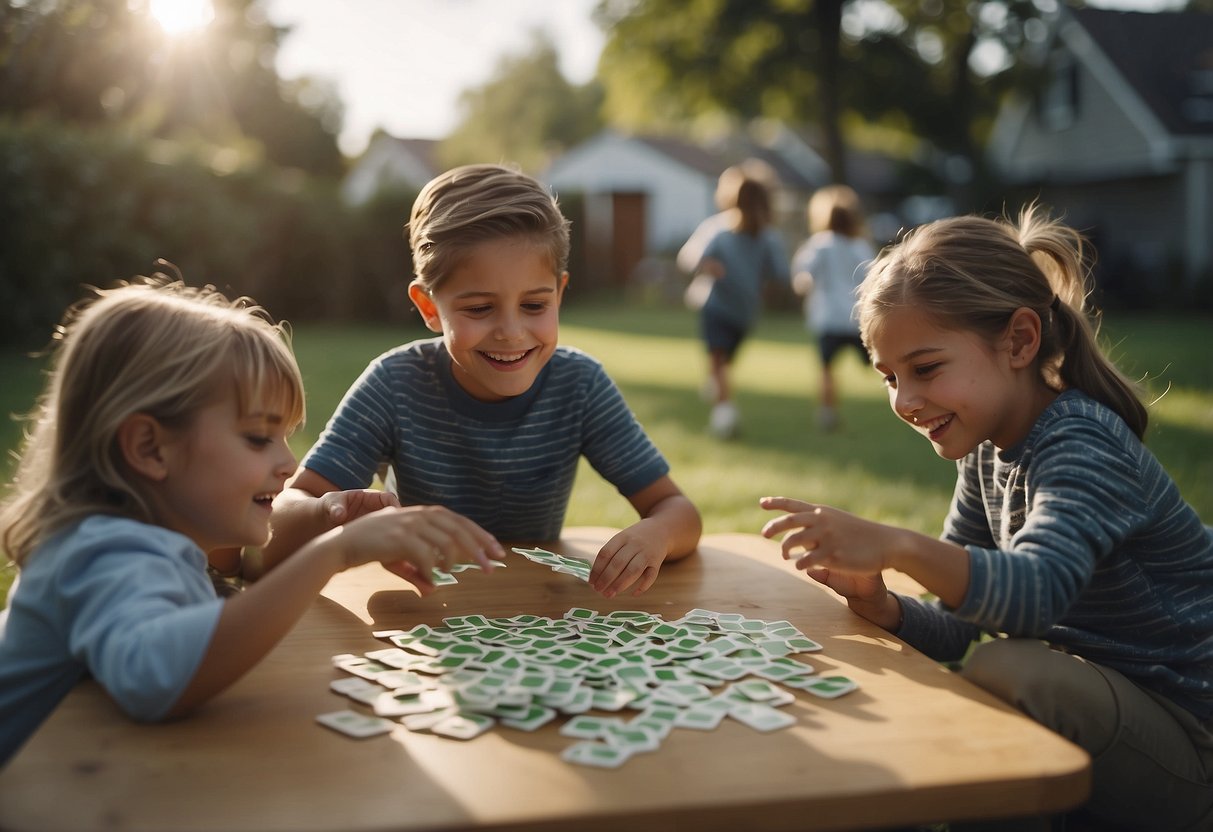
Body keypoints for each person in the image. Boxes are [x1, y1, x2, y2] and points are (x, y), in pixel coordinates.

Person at [759, 206, 1213, 830]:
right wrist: (880, 602)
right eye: (889, 377)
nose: (905, 401)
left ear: (1020, 341)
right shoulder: (983, 454)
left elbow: (1032, 596)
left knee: (1006, 672)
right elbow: (958, 625)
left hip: (1192, 739)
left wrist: (897, 544)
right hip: (1107, 710)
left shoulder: (1083, 443)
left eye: (926, 368)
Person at [0, 277, 503, 767]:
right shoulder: (103, 551)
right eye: (259, 439)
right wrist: (334, 551)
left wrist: (326, 524)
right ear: (150, 448)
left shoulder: (153, 541)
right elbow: (161, 683)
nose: (288, 464)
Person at [265, 163, 701, 600]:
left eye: (534, 305)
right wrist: (328, 514)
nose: (511, 332)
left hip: (536, 619)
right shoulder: (392, 384)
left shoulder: (580, 384)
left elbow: (678, 511)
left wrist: (656, 535)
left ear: (560, 294)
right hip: (427, 616)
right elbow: (281, 516)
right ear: (429, 307)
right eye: (478, 309)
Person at [689, 172, 790, 439]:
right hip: (721, 307)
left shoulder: (762, 236)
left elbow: (780, 274)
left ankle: (718, 391)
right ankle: (724, 415)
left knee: (722, 361)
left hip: (740, 311)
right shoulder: (723, 230)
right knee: (719, 357)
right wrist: (709, 266)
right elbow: (690, 258)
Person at [791, 184, 876, 431]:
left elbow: (802, 275)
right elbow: (872, 278)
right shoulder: (859, 246)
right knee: (879, 363)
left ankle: (828, 411)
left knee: (827, 368)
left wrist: (803, 285)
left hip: (828, 318)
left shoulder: (820, 244)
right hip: (856, 318)